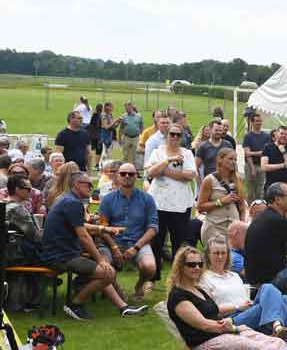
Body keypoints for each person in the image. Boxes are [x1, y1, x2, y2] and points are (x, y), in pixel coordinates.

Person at [42, 171, 146, 320]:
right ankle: (75, 304)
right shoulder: (73, 203)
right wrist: (100, 260)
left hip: (61, 253)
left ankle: (123, 308)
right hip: (61, 257)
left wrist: (102, 229)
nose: (92, 188)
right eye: (88, 184)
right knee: (107, 272)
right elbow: (83, 236)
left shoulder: (68, 200)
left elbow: (80, 225)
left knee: (107, 272)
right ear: (77, 185)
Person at [198, 237, 287, 343]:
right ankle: (279, 329)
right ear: (208, 255)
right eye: (216, 253)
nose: (220, 257)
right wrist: (237, 307)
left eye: (223, 253)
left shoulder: (234, 275)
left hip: (247, 310)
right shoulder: (204, 278)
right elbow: (209, 310)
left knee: (268, 288)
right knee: (278, 301)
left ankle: (277, 326)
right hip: (228, 320)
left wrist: (247, 304)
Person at [98, 163, 159, 302]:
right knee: (104, 268)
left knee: (150, 267)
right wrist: (114, 247)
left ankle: (139, 285)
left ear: (136, 177)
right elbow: (102, 227)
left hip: (138, 242)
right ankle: (118, 291)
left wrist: (136, 247)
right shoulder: (107, 199)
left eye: (131, 174)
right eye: (123, 173)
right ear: (117, 176)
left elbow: (153, 228)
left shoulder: (147, 199)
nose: (127, 176)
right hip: (111, 243)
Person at [146, 122, 196, 288]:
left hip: (180, 205)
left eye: (178, 135)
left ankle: (178, 280)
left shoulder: (187, 153)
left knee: (179, 243)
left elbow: (190, 175)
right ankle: (152, 279)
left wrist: (165, 171)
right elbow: (151, 173)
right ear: (166, 136)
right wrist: (169, 160)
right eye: (172, 134)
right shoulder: (157, 152)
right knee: (156, 242)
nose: (175, 137)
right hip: (159, 203)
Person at [246, 183, 287, 291]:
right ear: (278, 199)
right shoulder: (279, 221)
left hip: (255, 280)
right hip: (271, 281)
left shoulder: (262, 218)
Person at [197, 147, 246, 245]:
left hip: (233, 230)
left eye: (235, 159)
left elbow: (242, 206)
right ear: (220, 159)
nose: (234, 162)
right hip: (214, 228)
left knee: (232, 259)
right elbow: (200, 207)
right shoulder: (209, 180)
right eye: (231, 159)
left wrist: (242, 224)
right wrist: (221, 201)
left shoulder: (239, 179)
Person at [261, 125, 287, 192]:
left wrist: (284, 152)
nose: (283, 136)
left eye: (286, 134)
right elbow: (264, 167)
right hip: (271, 186)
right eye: (281, 133)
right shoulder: (268, 147)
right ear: (277, 134)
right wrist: (283, 165)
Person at [242, 112, 269, 203]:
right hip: (250, 166)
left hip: (262, 166)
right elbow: (247, 154)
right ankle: (250, 210)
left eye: (260, 121)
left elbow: (266, 152)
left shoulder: (266, 136)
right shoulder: (248, 136)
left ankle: (259, 210)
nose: (259, 123)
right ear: (252, 122)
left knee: (260, 191)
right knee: (250, 191)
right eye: (257, 121)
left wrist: (254, 153)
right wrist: (252, 168)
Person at [119, 102, 143, 167]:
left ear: (131, 107)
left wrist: (141, 137)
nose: (126, 110)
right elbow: (121, 128)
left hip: (136, 137)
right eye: (125, 108)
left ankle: (135, 170)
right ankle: (124, 168)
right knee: (125, 154)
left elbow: (141, 127)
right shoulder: (123, 116)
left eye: (128, 108)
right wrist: (119, 138)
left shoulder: (139, 116)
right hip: (126, 137)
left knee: (135, 155)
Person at [87, 103, 103, 171]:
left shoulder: (95, 115)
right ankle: (96, 164)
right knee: (98, 150)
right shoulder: (97, 116)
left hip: (93, 135)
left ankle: (96, 164)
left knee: (95, 150)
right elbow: (96, 125)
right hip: (96, 135)